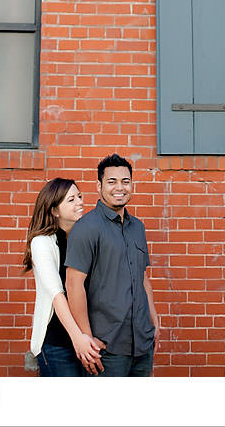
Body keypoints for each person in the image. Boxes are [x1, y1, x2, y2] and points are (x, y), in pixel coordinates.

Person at [65, 153, 160, 376]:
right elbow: (73, 285)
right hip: (106, 347)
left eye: (125, 181)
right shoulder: (87, 228)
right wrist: (86, 337)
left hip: (142, 343)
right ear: (99, 186)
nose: (120, 187)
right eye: (112, 181)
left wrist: (153, 320)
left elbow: (142, 277)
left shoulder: (138, 227)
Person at [23, 178, 105, 376]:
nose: (80, 202)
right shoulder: (42, 243)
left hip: (89, 340)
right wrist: (78, 338)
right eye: (71, 200)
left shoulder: (86, 238)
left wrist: (92, 337)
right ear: (54, 211)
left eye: (79, 196)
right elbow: (57, 295)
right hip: (58, 343)